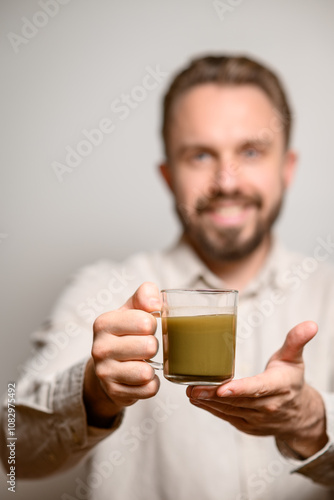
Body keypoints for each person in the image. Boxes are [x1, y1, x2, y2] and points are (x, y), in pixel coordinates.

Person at [1, 54, 334, 500]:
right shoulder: (102, 289)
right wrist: (92, 392)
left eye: (251, 151)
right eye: (200, 154)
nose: (227, 180)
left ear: (286, 168)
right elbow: (12, 448)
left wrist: (314, 423)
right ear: (168, 175)